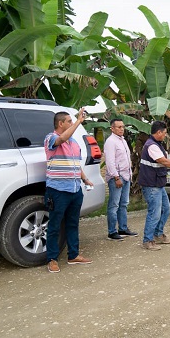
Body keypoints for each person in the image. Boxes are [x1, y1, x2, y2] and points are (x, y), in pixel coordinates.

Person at [44, 108, 93, 273]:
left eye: (72, 121)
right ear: (60, 123)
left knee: (73, 223)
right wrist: (79, 121)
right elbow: (61, 139)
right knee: (55, 225)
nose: (72, 124)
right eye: (69, 121)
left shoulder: (74, 143)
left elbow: (76, 165)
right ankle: (52, 259)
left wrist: (85, 179)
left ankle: (74, 255)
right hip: (57, 190)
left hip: (75, 190)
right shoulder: (51, 138)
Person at [138, 121, 170, 250]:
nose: (165, 135)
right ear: (159, 132)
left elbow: (165, 160)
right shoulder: (151, 146)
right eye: (165, 133)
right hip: (151, 184)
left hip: (158, 183)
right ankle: (147, 240)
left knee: (166, 209)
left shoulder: (157, 144)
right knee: (154, 212)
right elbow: (163, 161)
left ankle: (158, 233)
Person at [104, 118, 137, 241]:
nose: (121, 129)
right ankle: (112, 232)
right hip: (117, 177)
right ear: (112, 128)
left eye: (123, 127)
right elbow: (110, 162)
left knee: (124, 204)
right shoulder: (111, 142)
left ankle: (123, 228)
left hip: (126, 175)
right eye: (118, 127)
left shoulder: (122, 140)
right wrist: (116, 177)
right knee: (114, 204)